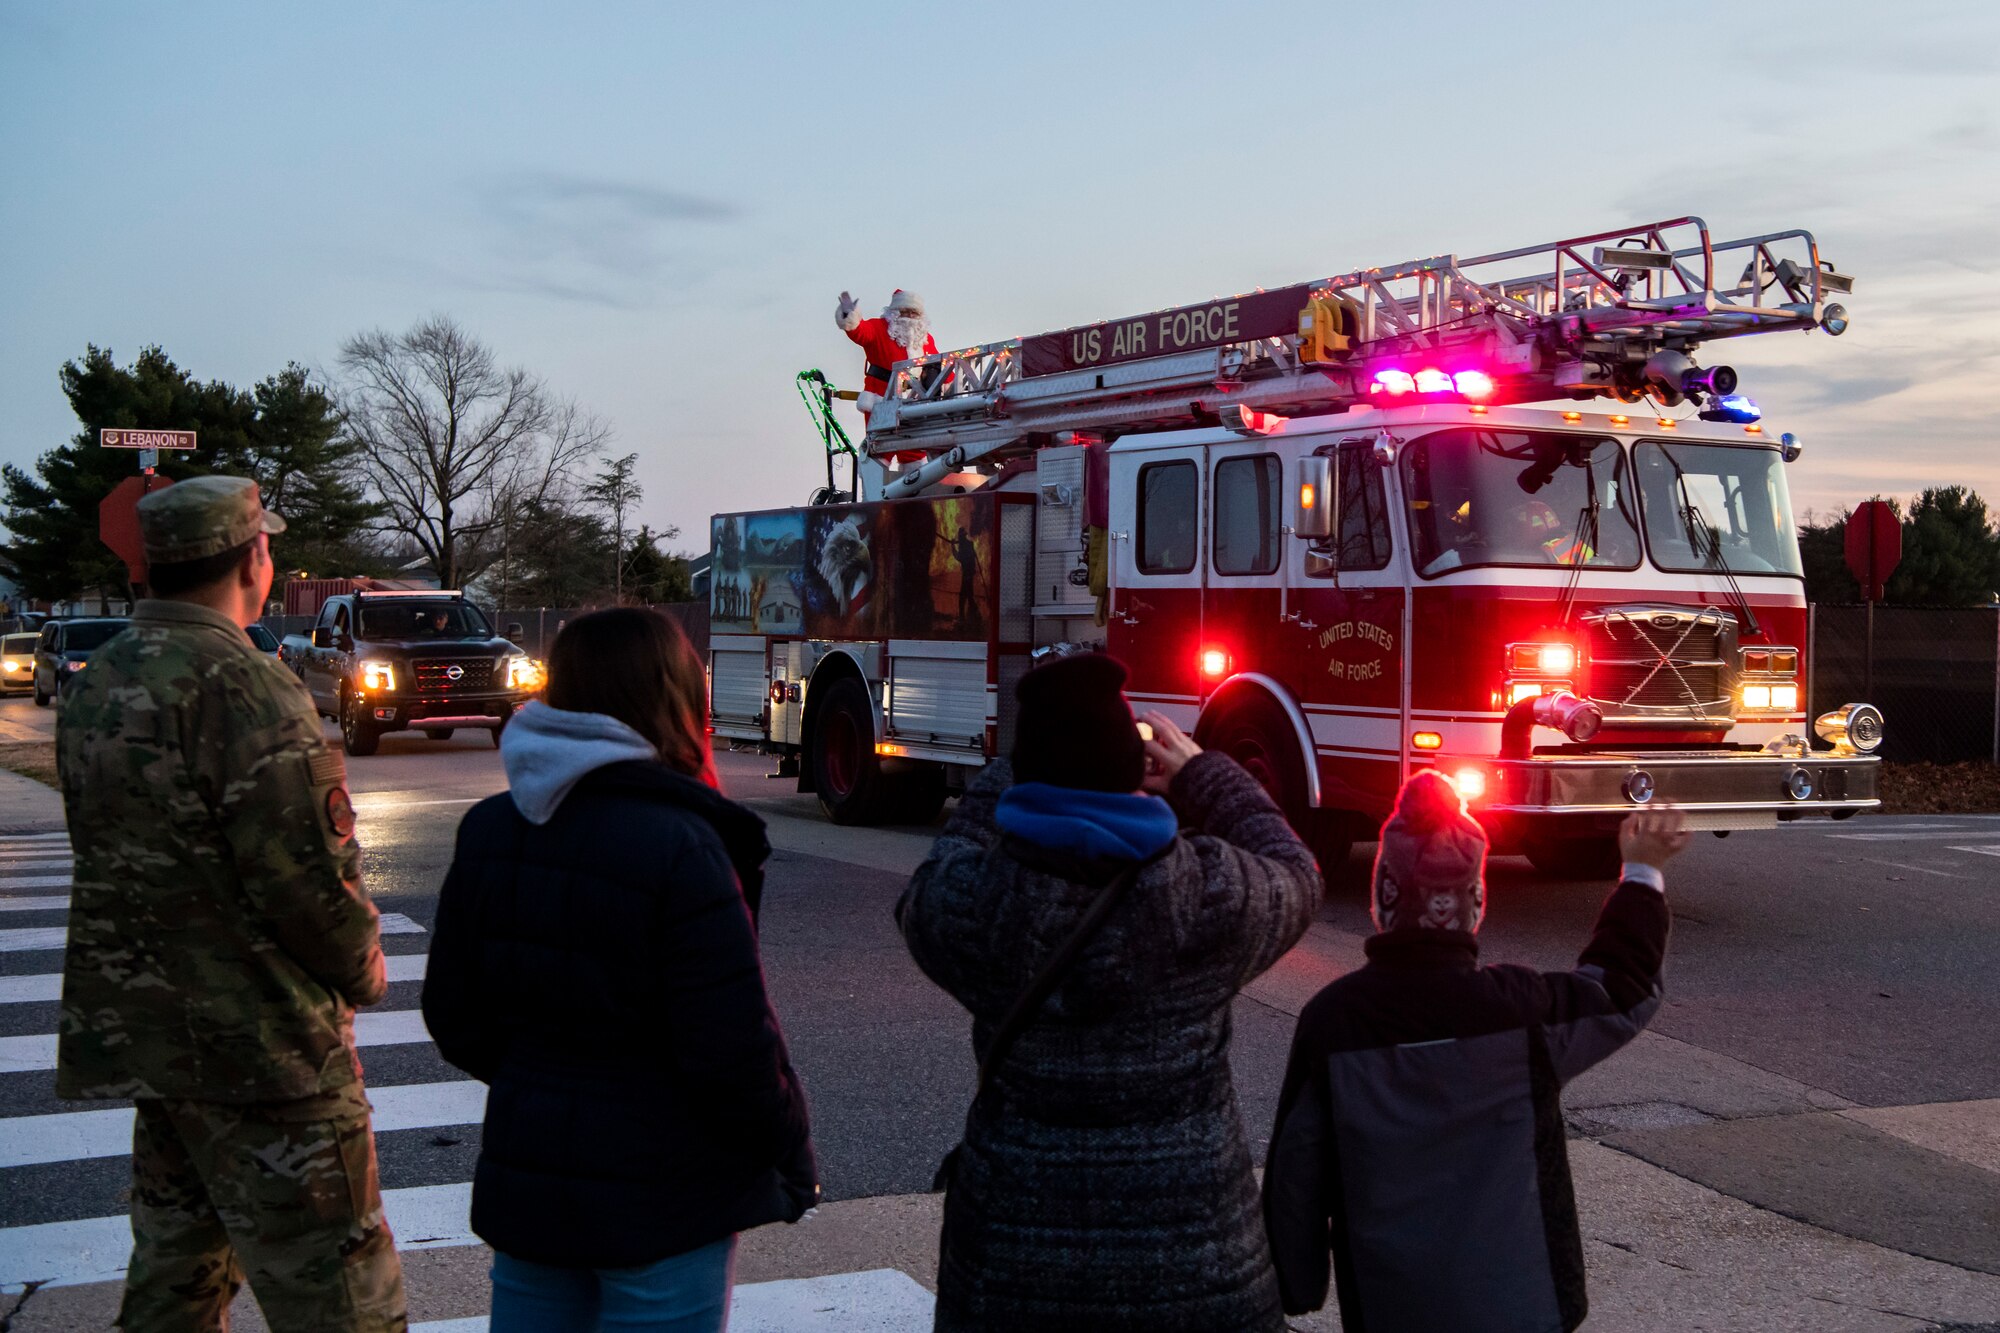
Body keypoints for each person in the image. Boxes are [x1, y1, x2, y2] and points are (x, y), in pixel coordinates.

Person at [54, 475, 405, 1331]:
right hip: (267, 1051)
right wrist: (366, 967)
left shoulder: (100, 678)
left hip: (158, 1042)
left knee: (175, 1283)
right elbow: (307, 881)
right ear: (253, 557)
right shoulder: (245, 685)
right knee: (343, 1300)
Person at [898, 653, 1323, 1332]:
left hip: (1012, 1278)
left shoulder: (972, 906)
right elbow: (1294, 868)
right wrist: (1202, 772)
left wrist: (1023, 765)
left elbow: (936, 872)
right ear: (1131, 766)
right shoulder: (1212, 896)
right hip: (1202, 1275)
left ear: (1028, 771)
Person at [421, 607, 818, 1333]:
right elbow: (731, 1050)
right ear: (672, 694)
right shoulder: (683, 844)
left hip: (531, 1176)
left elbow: (453, 1014)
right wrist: (789, 1144)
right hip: (665, 1192)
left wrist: (541, 1080)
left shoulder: (491, 827)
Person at [1262, 771, 1690, 1332]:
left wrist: (1293, 1285)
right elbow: (1621, 988)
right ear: (1476, 903)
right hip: (1524, 1302)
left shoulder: (1335, 1021)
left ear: (1383, 895)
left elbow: (1297, 1171)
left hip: (1392, 1304)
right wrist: (1642, 872)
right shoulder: (1521, 1011)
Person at [836, 287, 937, 416]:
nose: (910, 317)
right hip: (880, 398)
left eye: (914, 313)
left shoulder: (925, 339)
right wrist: (849, 315)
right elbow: (859, 331)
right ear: (894, 312)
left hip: (915, 401)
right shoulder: (878, 328)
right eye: (905, 312)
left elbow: (940, 366)